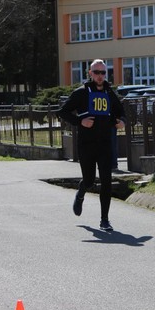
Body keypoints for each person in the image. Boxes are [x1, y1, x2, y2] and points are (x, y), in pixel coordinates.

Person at [59, 59, 125, 231]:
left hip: (105, 144)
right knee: (89, 180)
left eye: (103, 73)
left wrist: (121, 122)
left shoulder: (109, 93)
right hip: (86, 144)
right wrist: (80, 121)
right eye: (96, 72)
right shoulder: (81, 93)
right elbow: (63, 112)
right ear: (90, 73)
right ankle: (81, 192)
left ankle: (105, 220)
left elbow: (121, 112)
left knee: (106, 181)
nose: (100, 76)